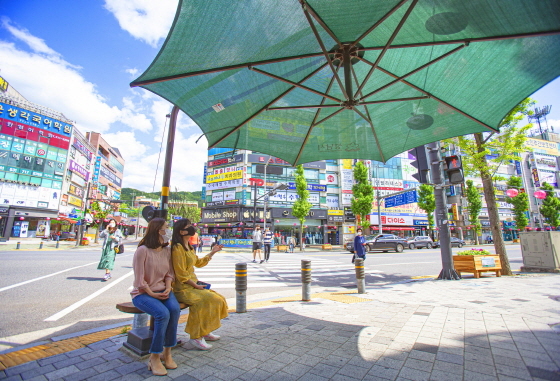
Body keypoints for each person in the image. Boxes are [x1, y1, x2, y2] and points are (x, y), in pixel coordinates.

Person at [131, 218, 180, 377]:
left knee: (174, 309)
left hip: (163, 291)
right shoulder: (142, 250)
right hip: (143, 294)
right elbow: (139, 281)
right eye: (167, 227)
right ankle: (154, 356)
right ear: (159, 230)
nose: (169, 230)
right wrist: (152, 293)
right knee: (162, 314)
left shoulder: (166, 251)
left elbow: (169, 274)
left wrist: (167, 288)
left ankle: (167, 353)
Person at [171, 219, 228, 351]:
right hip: (183, 289)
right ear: (181, 231)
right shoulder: (177, 248)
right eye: (189, 226)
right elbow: (181, 274)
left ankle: (205, 330)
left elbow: (199, 263)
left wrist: (213, 252)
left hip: (192, 285)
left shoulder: (189, 247)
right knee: (204, 301)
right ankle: (195, 337)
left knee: (218, 299)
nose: (192, 228)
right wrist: (195, 286)